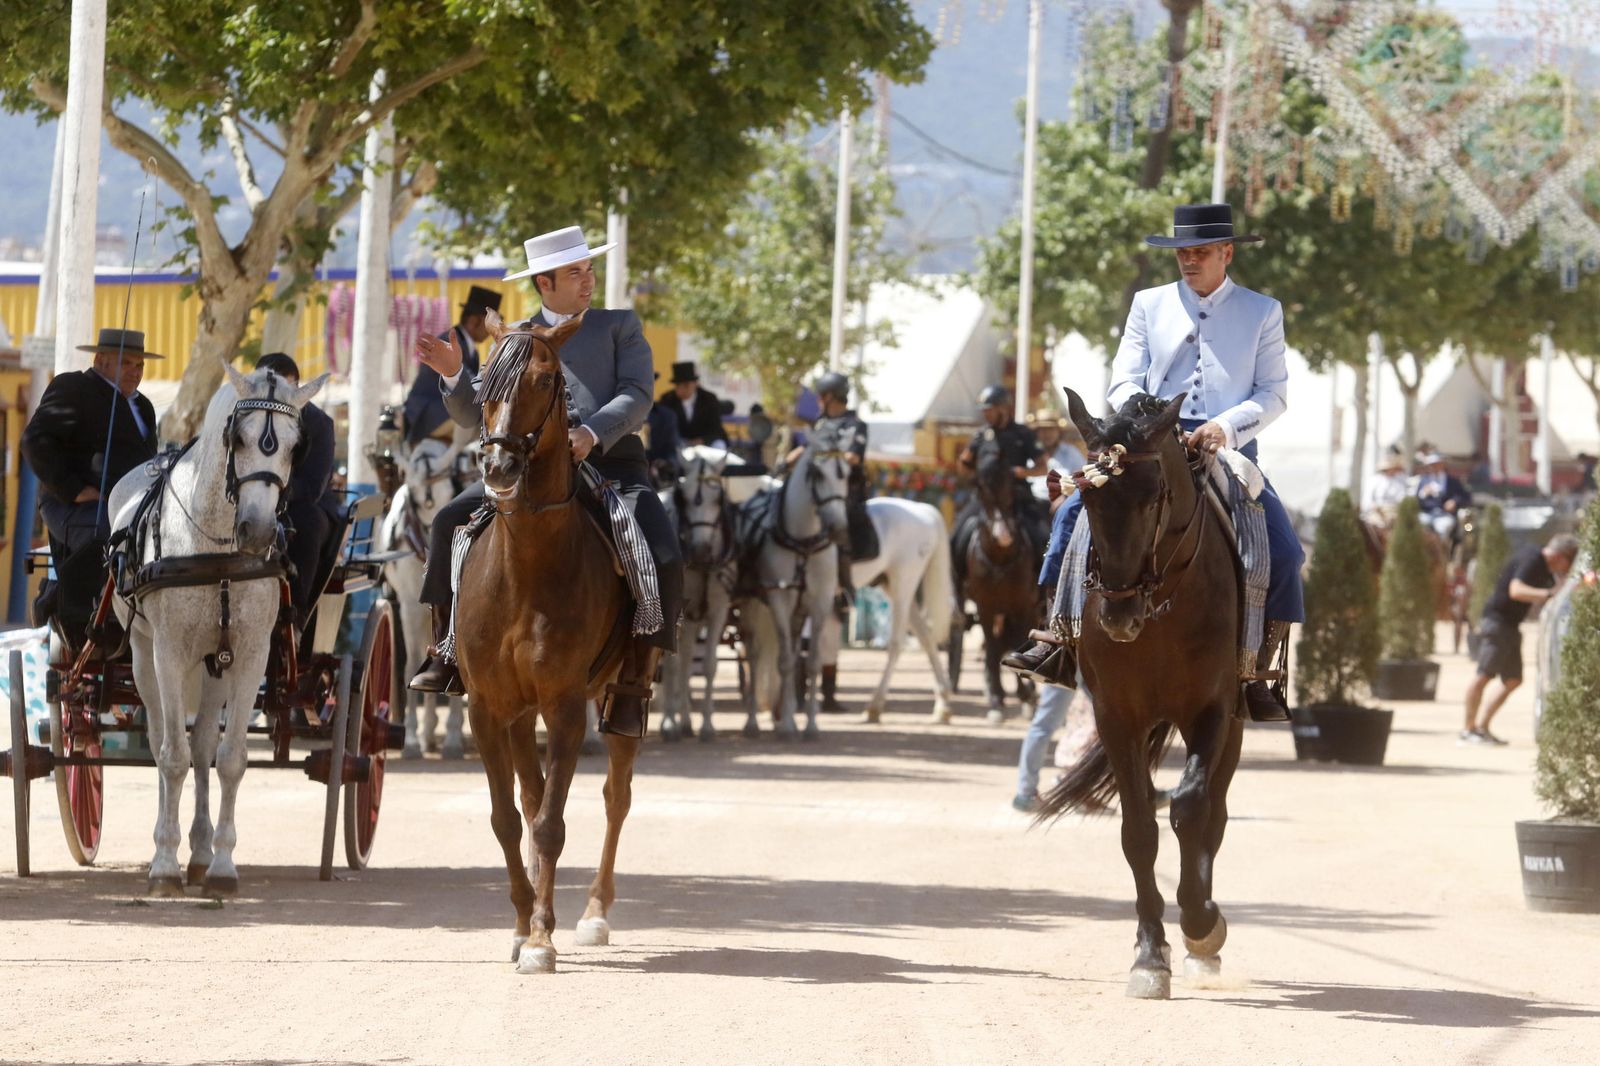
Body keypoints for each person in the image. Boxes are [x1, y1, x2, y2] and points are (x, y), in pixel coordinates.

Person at [1003, 202, 1304, 722]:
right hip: (1146, 441)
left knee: (1284, 550)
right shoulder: (1148, 303)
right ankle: (1057, 636)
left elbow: (1274, 393)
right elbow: (1123, 378)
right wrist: (1144, 420)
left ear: (1226, 253)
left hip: (1227, 446)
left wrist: (1224, 426)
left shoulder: (1262, 311)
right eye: (1183, 252)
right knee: (1076, 517)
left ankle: (1257, 668)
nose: (1190, 261)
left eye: (1201, 252)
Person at [408, 226, 682, 739]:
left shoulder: (620, 325)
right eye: (576, 273)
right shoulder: (514, 337)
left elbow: (637, 394)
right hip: (526, 472)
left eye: (589, 270)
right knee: (447, 520)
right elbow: (477, 413)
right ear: (544, 282)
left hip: (612, 466)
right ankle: (446, 652)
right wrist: (454, 376)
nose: (588, 281)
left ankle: (633, 683)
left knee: (664, 553)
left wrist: (591, 432)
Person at [22, 327, 161, 642]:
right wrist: (74, 490)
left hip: (131, 505)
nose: (135, 372)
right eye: (127, 363)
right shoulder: (73, 388)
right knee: (113, 533)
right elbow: (34, 441)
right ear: (101, 360)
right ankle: (61, 599)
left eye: (140, 365)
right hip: (72, 505)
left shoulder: (144, 407)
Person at [1462, 533, 1578, 745]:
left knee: (1513, 680)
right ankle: (1467, 730)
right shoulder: (1532, 559)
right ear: (1561, 557)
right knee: (1483, 676)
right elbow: (1516, 590)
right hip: (1498, 623)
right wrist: (1549, 595)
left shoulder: (1542, 566)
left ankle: (1481, 728)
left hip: (1510, 626)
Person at [804, 371, 872, 712]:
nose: (818, 401)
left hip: (845, 494)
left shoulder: (854, 425)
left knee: (840, 529)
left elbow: (853, 458)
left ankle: (843, 588)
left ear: (831, 396)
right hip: (813, 491)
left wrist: (825, 457)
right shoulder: (816, 425)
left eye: (821, 395)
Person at [254, 352, 339, 625]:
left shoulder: (319, 424)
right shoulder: (248, 417)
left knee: (308, 522)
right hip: (255, 498)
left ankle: (296, 613)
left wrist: (269, 490)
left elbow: (313, 486)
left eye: (285, 389)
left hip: (303, 503)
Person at [949, 385, 1050, 591]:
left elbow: (1042, 467)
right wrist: (965, 464)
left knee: (1043, 537)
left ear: (1004, 408)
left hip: (1018, 499)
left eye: (989, 409)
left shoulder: (1024, 434)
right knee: (956, 536)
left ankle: (1042, 591)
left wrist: (1023, 472)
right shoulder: (980, 436)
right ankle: (958, 590)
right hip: (984, 501)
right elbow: (963, 468)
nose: (985, 413)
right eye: (984, 410)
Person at [402, 285, 501, 447]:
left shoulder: (471, 350)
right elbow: (468, 385)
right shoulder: (449, 344)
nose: (491, 330)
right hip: (428, 414)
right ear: (475, 321)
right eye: (489, 323)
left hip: (445, 411)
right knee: (482, 419)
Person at [656, 362, 728, 448]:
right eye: (678, 385)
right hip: (679, 443)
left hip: (706, 441)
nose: (682, 389)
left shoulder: (709, 399)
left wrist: (702, 440)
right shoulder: (667, 400)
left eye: (686, 385)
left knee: (719, 445)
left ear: (695, 384)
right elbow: (663, 428)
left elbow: (716, 428)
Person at [1027, 410, 1086, 503]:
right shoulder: (1029, 453)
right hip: (1032, 504)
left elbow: (1083, 478)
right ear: (1037, 433)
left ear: (1059, 432)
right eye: (1043, 430)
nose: (1047, 434)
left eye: (1051, 429)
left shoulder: (1071, 452)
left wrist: (1064, 497)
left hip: (1063, 504)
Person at [1415, 451, 1471, 542]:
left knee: (1443, 528)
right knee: (1420, 526)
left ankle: (1441, 552)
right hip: (1427, 513)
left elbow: (1465, 496)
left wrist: (1454, 501)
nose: (1434, 467)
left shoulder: (1452, 481)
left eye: (1436, 464)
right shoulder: (1423, 480)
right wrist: (1423, 493)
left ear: (1442, 464)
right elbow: (1416, 500)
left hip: (1444, 514)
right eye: (1432, 465)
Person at [1362, 447, 1410, 522]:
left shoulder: (1399, 481)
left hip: (1394, 512)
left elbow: (1402, 498)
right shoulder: (1374, 480)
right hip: (1376, 512)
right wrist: (1375, 507)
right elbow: (1367, 501)